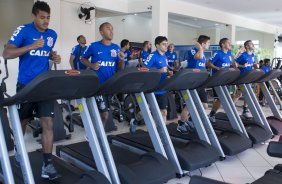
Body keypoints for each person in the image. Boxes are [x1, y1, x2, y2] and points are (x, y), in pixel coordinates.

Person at [2, 1, 61, 180]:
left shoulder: (52, 34)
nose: (46, 21)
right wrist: (30, 46)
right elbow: (6, 53)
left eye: (48, 17)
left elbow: (47, 53)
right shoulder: (24, 30)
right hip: (26, 85)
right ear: (34, 16)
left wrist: (53, 56)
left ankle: (47, 164)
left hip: (44, 85)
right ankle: (19, 150)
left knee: (48, 123)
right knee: (23, 122)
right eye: (42, 17)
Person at [81, 22, 125, 128]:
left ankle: (99, 134)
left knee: (105, 112)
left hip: (110, 85)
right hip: (98, 85)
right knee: (104, 114)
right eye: (108, 28)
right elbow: (82, 58)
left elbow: (120, 68)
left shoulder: (116, 48)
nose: (111, 31)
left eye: (112, 29)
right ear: (101, 32)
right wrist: (91, 65)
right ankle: (99, 136)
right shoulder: (94, 46)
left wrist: (122, 59)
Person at [177, 35, 211, 134]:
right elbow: (198, 57)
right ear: (203, 44)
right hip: (192, 82)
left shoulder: (203, 53)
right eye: (208, 43)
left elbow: (202, 65)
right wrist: (200, 48)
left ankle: (190, 120)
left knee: (204, 105)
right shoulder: (192, 51)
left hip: (200, 82)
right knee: (189, 105)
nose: (209, 44)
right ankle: (181, 124)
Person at [207, 38, 237, 123]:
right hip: (217, 79)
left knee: (227, 97)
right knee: (220, 98)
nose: (230, 44)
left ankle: (213, 114)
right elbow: (208, 63)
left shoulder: (229, 53)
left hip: (226, 79)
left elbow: (229, 64)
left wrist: (233, 65)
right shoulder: (217, 53)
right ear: (223, 44)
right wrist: (217, 68)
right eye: (228, 42)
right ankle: (212, 114)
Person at [144, 36, 172, 123]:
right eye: (164, 44)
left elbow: (164, 70)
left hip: (162, 88)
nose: (166, 46)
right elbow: (144, 69)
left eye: (166, 44)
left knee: (164, 112)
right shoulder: (152, 55)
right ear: (157, 45)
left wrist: (168, 73)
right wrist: (159, 71)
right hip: (152, 88)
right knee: (149, 111)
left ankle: (162, 133)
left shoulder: (164, 56)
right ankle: (136, 120)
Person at [233, 40, 259, 118]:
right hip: (241, 77)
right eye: (252, 44)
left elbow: (253, 64)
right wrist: (242, 66)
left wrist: (255, 65)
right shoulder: (243, 55)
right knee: (239, 94)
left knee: (247, 94)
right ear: (247, 46)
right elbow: (234, 64)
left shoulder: (253, 55)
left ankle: (245, 110)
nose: (253, 46)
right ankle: (231, 106)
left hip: (249, 77)